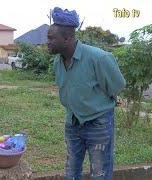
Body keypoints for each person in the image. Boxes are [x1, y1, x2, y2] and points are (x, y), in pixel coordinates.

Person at [47, 7, 126, 180]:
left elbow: (117, 85)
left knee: (100, 172)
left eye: (51, 38)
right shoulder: (57, 62)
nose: (48, 42)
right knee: (71, 170)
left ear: (67, 38)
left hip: (99, 123)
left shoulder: (99, 58)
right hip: (73, 122)